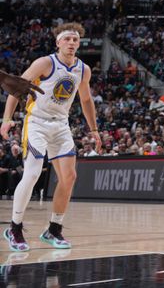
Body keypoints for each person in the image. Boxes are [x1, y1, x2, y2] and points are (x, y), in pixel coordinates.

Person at [1, 22, 100, 251]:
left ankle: (53, 230)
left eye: (75, 40)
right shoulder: (45, 63)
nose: (72, 43)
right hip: (36, 123)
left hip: (61, 125)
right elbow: (16, 88)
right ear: (58, 42)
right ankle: (14, 228)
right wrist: (6, 120)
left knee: (69, 177)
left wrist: (94, 130)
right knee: (33, 173)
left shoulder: (83, 69)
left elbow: (85, 100)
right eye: (67, 39)